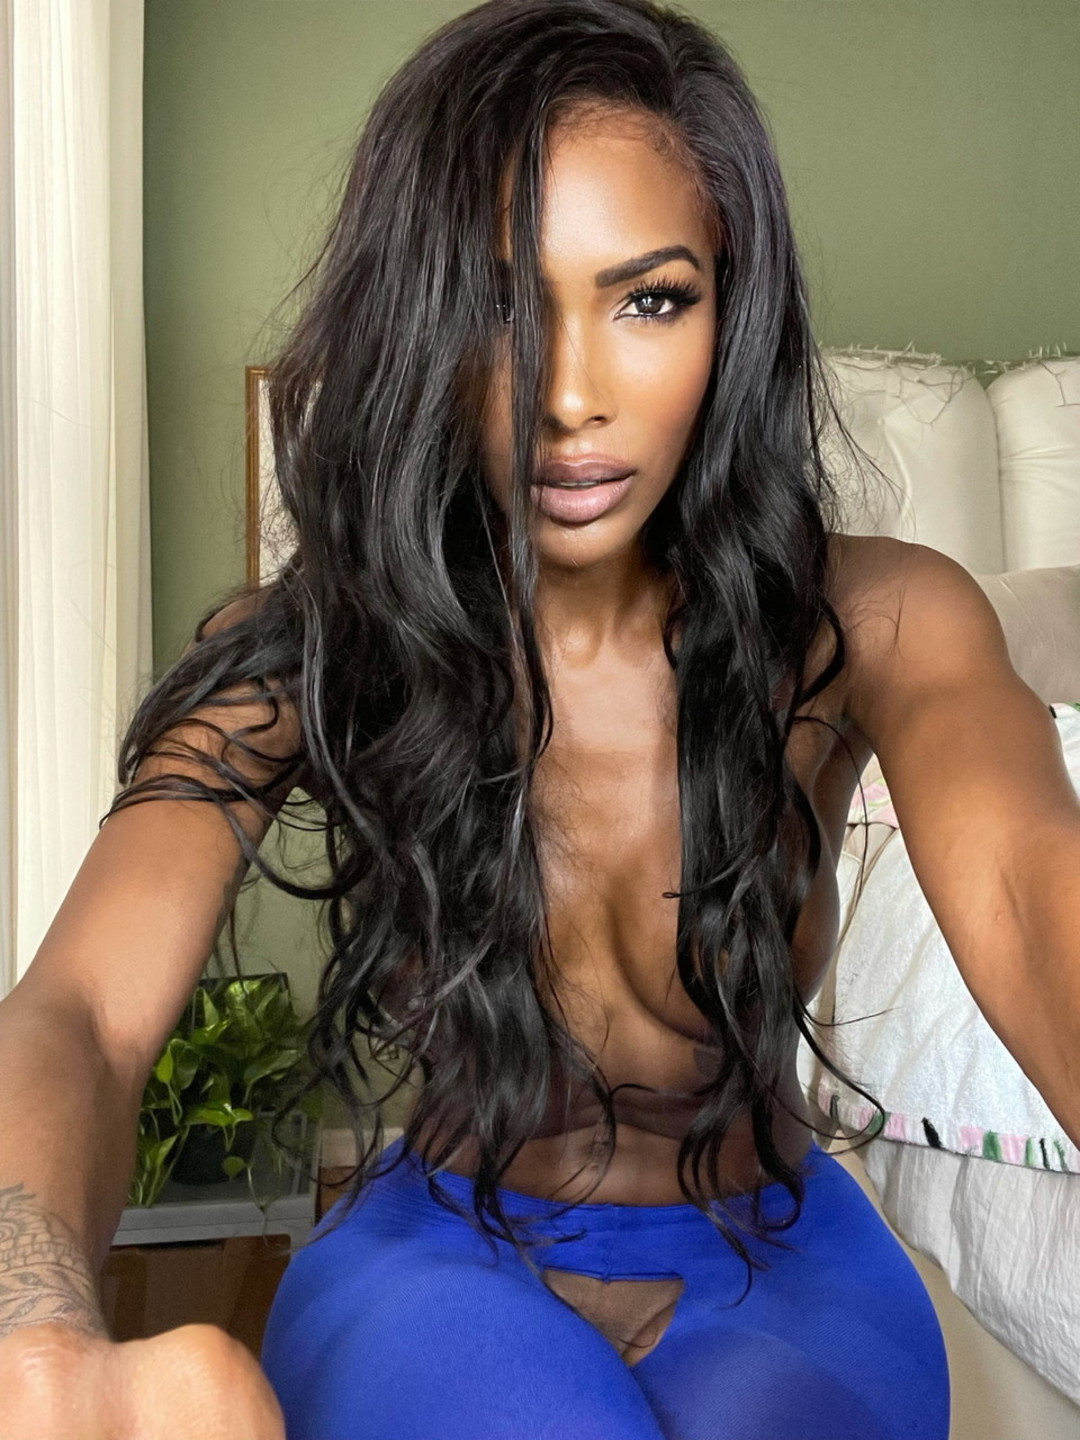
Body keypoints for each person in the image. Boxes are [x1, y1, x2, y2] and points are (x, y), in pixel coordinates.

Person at [2, 0, 1078, 1436]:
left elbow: (1034, 902)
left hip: (783, 1256)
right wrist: (31, 1318)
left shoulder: (880, 621)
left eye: (651, 300)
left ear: (732, 304)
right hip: (438, 1251)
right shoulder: (312, 645)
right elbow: (78, 1010)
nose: (572, 394)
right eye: (502, 307)